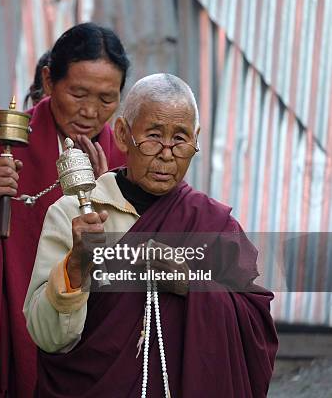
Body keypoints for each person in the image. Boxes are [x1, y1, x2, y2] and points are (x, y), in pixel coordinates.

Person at [23, 73, 279, 397]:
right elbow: (47, 336)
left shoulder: (211, 222)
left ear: (196, 141)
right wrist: (75, 268)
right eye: (154, 136)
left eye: (180, 139)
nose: (167, 153)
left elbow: (254, 327)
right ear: (122, 135)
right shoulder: (73, 215)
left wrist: (191, 285)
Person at [0, 23, 130, 397]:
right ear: (49, 81)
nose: (90, 111)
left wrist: (110, 197)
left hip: (87, 355)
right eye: (78, 93)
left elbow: (134, 273)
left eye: (107, 98)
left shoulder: (124, 162)